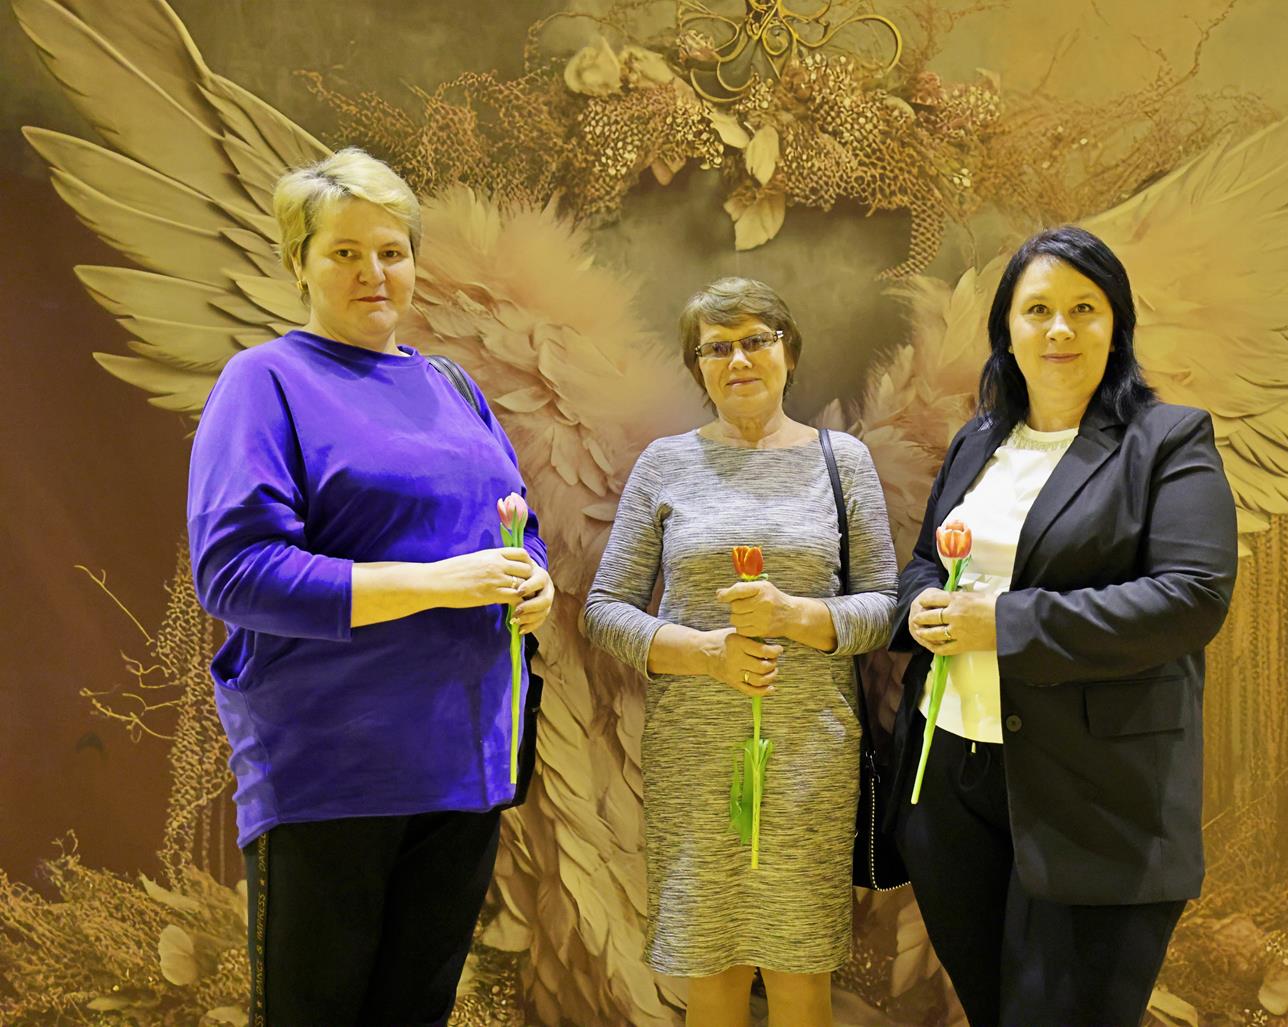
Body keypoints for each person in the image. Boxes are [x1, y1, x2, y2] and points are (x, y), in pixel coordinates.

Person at [187, 147, 555, 1026]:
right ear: (299, 262)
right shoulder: (265, 381)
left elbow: (515, 523)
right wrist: (435, 584)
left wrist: (533, 577)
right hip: (331, 772)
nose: (373, 272)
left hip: (463, 768)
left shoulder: (452, 386)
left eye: (391, 251)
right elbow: (238, 572)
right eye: (345, 252)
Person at [890, 225, 1238, 1026]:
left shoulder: (1166, 441)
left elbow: (1190, 598)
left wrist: (1002, 622)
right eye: (1037, 309)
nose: (1059, 328)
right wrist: (921, 603)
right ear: (1006, 330)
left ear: (1115, 325)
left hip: (1095, 795)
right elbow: (926, 560)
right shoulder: (978, 440)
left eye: (1084, 308)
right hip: (951, 783)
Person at [582, 278, 898, 1027]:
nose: (739, 360)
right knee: (712, 967)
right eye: (716, 348)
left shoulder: (842, 460)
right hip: (695, 758)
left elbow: (886, 608)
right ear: (698, 367)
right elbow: (603, 609)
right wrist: (702, 652)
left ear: (789, 351)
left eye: (756, 340)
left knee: (799, 969)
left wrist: (796, 616)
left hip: (809, 756)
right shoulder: (665, 464)